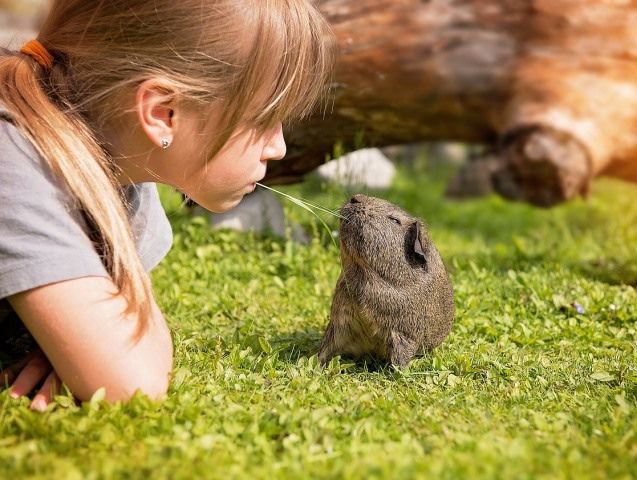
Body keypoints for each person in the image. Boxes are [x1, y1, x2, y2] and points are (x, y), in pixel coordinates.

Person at [0, 0, 335, 411]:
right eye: (264, 118)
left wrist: (75, 341)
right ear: (162, 113)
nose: (279, 147)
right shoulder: (13, 160)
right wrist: (99, 349)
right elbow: (132, 383)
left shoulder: (124, 166)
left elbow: (124, 332)